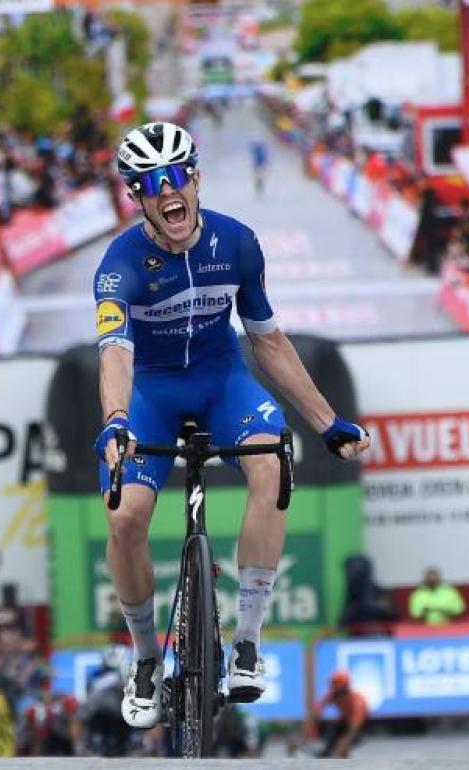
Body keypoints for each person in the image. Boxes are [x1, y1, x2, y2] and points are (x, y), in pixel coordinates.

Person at [95, 121, 370, 727]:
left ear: (194, 179)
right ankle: (145, 658)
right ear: (137, 197)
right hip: (151, 394)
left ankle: (246, 640)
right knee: (125, 517)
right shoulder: (119, 267)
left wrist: (328, 422)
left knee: (273, 460)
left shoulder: (237, 243)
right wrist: (116, 421)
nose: (167, 190)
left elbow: (268, 343)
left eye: (176, 176)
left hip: (223, 380)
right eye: (150, 183)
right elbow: (115, 352)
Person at [307, 671, 368, 759]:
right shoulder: (332, 695)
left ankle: (343, 749)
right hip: (344, 721)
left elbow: (355, 727)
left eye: (340, 692)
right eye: (335, 690)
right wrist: (305, 734)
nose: (338, 695)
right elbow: (316, 712)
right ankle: (328, 749)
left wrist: (344, 744)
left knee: (351, 737)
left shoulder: (357, 702)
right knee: (331, 726)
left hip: (360, 726)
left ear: (346, 689)